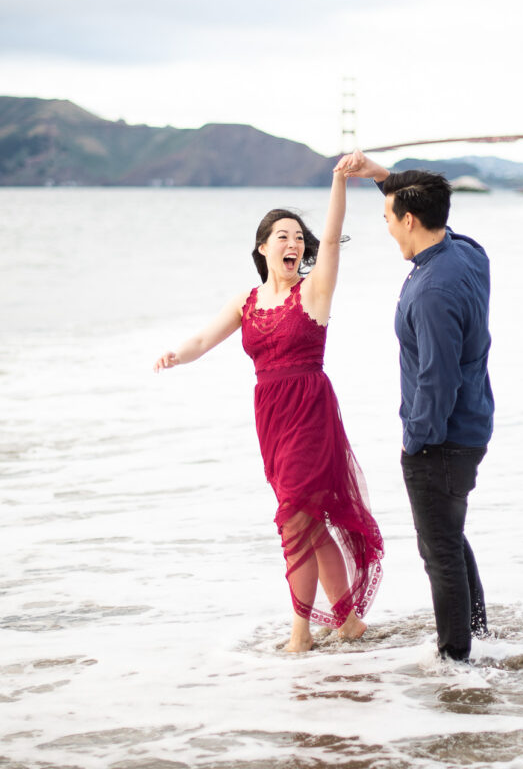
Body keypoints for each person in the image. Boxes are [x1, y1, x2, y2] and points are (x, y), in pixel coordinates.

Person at [153, 169, 383, 653]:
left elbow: (334, 241)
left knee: (294, 518)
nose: (293, 243)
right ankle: (348, 624)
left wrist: (340, 183)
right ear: (263, 248)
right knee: (308, 519)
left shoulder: (314, 289)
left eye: (300, 237)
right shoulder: (247, 301)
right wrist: (177, 354)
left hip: (310, 410)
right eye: (283, 236)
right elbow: (201, 339)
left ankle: (300, 632)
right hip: (271, 419)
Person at [335, 150, 494, 662]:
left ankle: (455, 661)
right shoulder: (466, 253)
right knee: (451, 535)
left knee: (439, 550)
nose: (385, 228)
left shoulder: (432, 289)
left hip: (443, 440)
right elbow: (436, 214)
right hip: (471, 425)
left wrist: (416, 438)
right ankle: (478, 636)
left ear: (409, 219)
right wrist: (385, 178)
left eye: (387, 218)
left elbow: (438, 379)